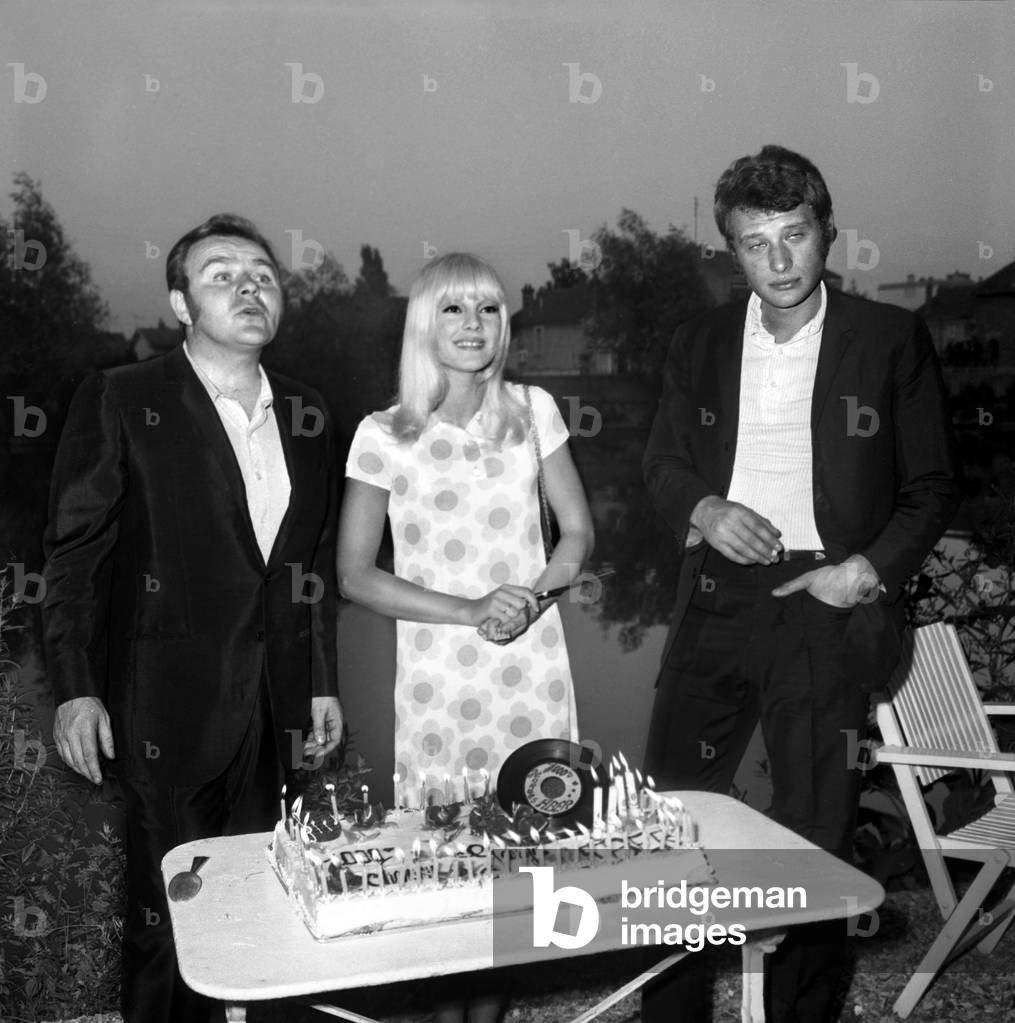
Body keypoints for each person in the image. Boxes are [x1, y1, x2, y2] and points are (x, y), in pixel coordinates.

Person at [641, 146, 961, 1021]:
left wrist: (862, 570)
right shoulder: (698, 342)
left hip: (827, 603)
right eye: (754, 243)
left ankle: (799, 1012)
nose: (777, 261)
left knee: (814, 832)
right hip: (716, 601)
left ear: (827, 233)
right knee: (674, 817)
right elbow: (661, 462)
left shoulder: (889, 339)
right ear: (731, 252)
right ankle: (669, 1012)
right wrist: (705, 509)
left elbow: (930, 486)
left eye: (793, 236)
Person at [42, 213, 343, 1023]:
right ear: (180, 303)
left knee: (277, 910)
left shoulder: (311, 415)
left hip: (277, 711)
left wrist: (319, 683)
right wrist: (74, 688)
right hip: (162, 709)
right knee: (172, 918)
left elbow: (303, 569)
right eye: (221, 274)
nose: (249, 286)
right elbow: (73, 558)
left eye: (262, 274)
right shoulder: (121, 397)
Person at [338, 252, 594, 1023]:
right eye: (452, 309)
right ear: (424, 324)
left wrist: (533, 596)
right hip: (438, 677)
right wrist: (467, 608)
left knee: (523, 865)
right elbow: (353, 574)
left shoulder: (534, 410)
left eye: (486, 309)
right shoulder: (383, 432)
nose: (473, 325)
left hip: (530, 667)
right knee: (444, 867)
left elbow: (577, 532)